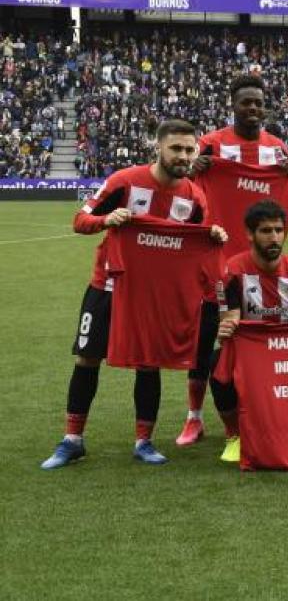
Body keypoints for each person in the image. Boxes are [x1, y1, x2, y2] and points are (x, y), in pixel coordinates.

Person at [41, 119, 227, 470]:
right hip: (108, 287)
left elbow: (198, 246)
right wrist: (107, 219)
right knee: (87, 357)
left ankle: (144, 441)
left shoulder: (195, 197)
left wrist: (213, 235)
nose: (183, 155)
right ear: (158, 146)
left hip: (154, 295)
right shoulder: (124, 181)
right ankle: (72, 440)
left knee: (149, 361)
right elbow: (80, 221)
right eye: (176, 148)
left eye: (190, 150)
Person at [177, 75, 288, 448]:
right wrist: (193, 170)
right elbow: (182, 190)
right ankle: (193, 418)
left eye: (259, 103)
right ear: (233, 104)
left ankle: (265, 409)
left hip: (259, 269)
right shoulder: (211, 145)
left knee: (261, 339)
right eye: (246, 102)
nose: (253, 108)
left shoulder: (277, 150)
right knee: (202, 345)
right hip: (213, 263)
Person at [209, 200, 288, 463]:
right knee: (217, 362)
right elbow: (231, 321)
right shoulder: (231, 272)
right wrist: (225, 328)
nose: (274, 237)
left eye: (278, 230)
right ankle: (234, 435)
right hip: (250, 354)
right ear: (250, 234)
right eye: (266, 231)